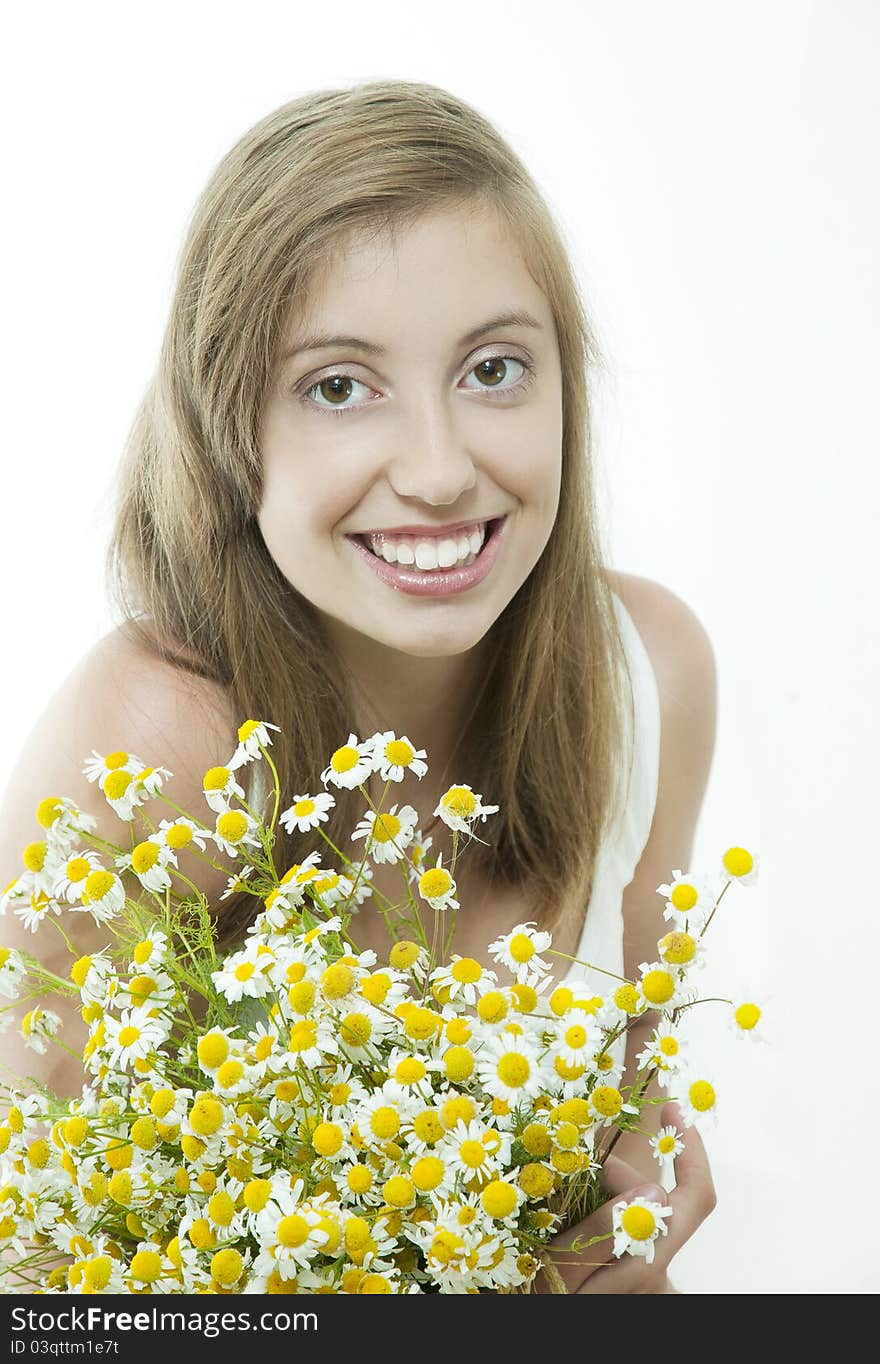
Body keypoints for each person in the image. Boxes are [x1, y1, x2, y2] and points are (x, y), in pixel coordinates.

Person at [0, 79, 717, 1292]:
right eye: (339, 385)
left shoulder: (649, 672)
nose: (439, 471)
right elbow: (31, 1258)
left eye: (495, 369)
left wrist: (637, 1175)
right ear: (229, 430)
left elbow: (631, 1075)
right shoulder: (154, 742)